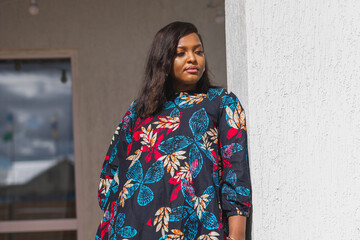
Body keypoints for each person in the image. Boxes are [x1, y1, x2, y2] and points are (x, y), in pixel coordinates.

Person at [96, 21, 252, 240]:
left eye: (198, 51)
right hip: (134, 229)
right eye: (181, 53)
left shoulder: (221, 103)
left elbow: (236, 175)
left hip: (196, 229)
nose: (192, 58)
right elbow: (110, 175)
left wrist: (236, 236)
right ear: (163, 62)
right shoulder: (138, 110)